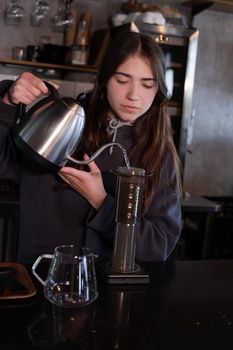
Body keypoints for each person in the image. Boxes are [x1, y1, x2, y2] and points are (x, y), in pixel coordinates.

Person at [0, 31, 181, 263]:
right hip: (42, 277)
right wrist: (7, 104)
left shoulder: (158, 152)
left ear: (158, 90)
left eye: (147, 84)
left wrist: (102, 202)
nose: (134, 95)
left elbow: (158, 246)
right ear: (105, 79)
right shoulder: (63, 121)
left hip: (110, 290)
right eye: (122, 80)